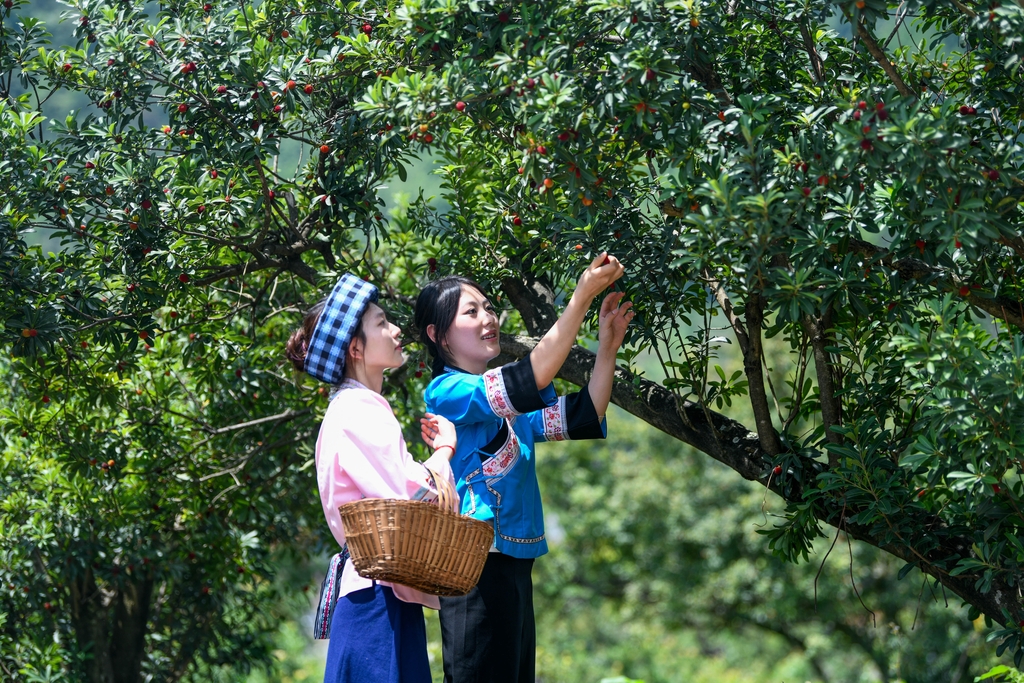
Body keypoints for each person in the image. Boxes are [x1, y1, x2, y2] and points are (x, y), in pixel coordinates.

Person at [413, 253, 633, 683]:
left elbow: (586, 413)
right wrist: (581, 298)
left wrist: (607, 347)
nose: (488, 318)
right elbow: (532, 376)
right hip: (473, 565)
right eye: (471, 312)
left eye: (488, 307)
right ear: (438, 335)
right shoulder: (446, 392)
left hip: (513, 566)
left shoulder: (510, 410)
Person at [286, 273, 458, 683]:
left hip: (377, 594)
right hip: (377, 599)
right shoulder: (358, 408)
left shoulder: (353, 406)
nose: (396, 330)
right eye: (381, 323)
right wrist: (444, 451)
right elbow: (412, 493)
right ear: (355, 348)